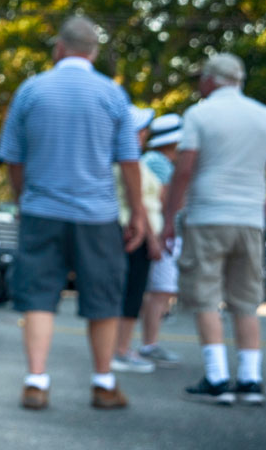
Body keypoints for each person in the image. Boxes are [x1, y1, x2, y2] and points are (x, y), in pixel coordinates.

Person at [0, 15, 148, 411]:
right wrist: (138, 213)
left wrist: (22, 198)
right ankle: (103, 382)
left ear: (58, 48)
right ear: (94, 53)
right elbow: (129, 161)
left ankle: (36, 381)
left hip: (41, 210)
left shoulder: (30, 91)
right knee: (103, 298)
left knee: (39, 297)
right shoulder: (113, 95)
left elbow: (13, 158)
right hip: (97, 215)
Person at [162, 53, 266, 405]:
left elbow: (184, 171)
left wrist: (169, 218)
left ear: (211, 81)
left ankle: (216, 376)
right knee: (246, 300)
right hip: (249, 219)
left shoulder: (199, 115)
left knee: (206, 297)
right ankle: (250, 378)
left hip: (207, 216)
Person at [111, 107, 163, 373]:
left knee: (132, 292)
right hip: (135, 234)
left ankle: (121, 347)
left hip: (136, 232)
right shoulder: (127, 163)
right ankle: (120, 350)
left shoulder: (135, 161)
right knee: (131, 293)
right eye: (141, 129)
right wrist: (152, 239)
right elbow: (138, 203)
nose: (145, 134)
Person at [137, 113, 185, 367]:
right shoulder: (158, 163)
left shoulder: (156, 160)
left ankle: (149, 342)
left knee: (159, 290)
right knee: (160, 290)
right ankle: (149, 344)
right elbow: (167, 201)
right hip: (162, 234)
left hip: (161, 233)